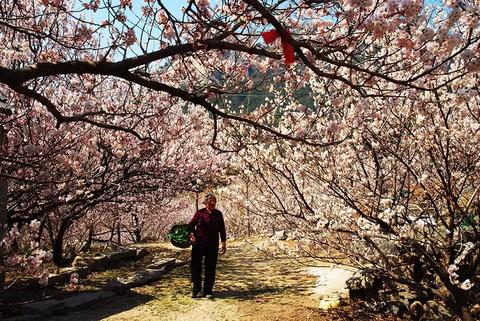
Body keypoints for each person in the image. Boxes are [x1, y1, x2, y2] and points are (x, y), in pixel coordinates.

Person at [188, 193, 227, 299]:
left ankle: (208, 290)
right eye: (211, 201)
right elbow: (191, 225)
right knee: (196, 267)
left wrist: (223, 243)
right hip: (199, 244)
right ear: (206, 203)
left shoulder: (218, 214)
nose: (213, 203)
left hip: (212, 245)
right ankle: (196, 290)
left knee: (211, 268)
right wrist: (192, 236)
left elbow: (222, 229)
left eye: (214, 201)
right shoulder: (199, 213)